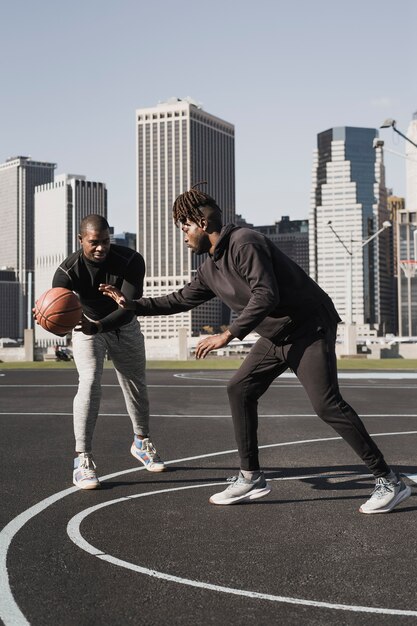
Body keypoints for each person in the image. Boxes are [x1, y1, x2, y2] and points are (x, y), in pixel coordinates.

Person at [100, 186, 411, 514]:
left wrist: (228, 335)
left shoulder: (244, 242)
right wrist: (132, 304)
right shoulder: (210, 268)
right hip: (276, 335)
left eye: (185, 228)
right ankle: (251, 478)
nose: (184, 237)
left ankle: (390, 482)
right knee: (239, 389)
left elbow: (267, 294)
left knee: (327, 405)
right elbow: (178, 299)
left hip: (308, 327)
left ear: (202, 224)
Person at [36, 214, 165, 490]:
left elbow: (128, 307)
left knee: (135, 384)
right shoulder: (67, 272)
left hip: (123, 325)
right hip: (85, 326)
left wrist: (100, 326)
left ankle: (141, 442)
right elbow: (60, 321)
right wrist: (49, 322)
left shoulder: (131, 261)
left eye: (106, 241)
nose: (101, 247)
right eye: (94, 242)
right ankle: (82, 459)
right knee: (90, 383)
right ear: (80, 240)